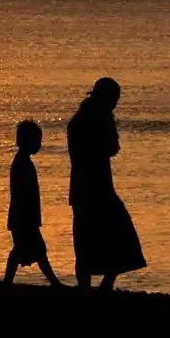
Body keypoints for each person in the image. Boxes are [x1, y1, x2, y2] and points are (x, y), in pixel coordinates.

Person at [66, 77, 147, 291]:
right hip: (98, 188)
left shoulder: (78, 120)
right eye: (114, 99)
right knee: (120, 235)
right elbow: (111, 148)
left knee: (85, 241)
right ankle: (104, 285)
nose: (115, 104)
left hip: (82, 188)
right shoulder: (99, 119)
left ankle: (88, 287)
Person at [4, 119, 62, 285]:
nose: (39, 144)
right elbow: (23, 192)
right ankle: (53, 282)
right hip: (23, 215)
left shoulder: (23, 161)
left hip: (22, 215)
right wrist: (29, 216)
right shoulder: (22, 163)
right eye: (37, 141)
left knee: (31, 249)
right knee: (31, 249)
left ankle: (8, 282)